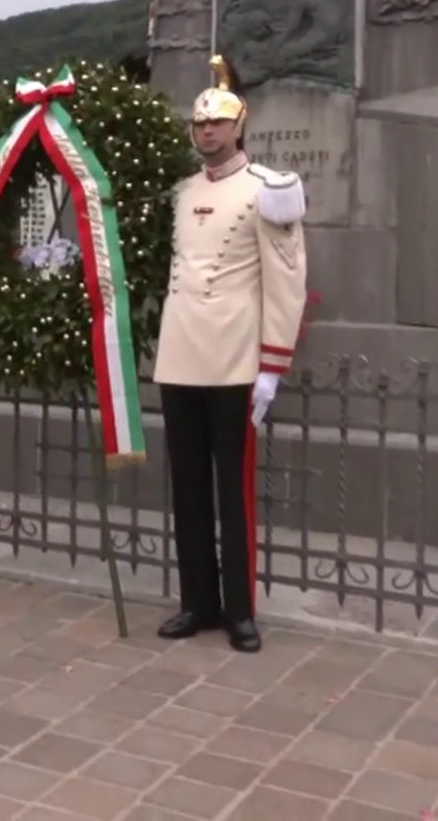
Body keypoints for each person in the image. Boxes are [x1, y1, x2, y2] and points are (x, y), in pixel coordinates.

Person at [152, 55, 307, 654]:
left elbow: (286, 280)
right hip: (182, 355)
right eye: (199, 125)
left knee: (233, 493)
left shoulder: (269, 192)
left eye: (217, 124)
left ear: (238, 127)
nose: (207, 133)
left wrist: (272, 365)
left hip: (234, 358)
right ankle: (196, 601)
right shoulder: (179, 193)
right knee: (188, 489)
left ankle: (240, 609)